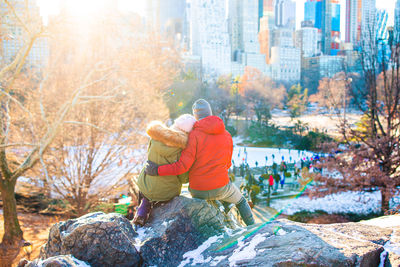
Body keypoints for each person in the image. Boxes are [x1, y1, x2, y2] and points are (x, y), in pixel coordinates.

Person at [145, 99, 255, 226]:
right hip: (221, 187)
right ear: (210, 113)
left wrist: (157, 170)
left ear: (196, 116)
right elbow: (228, 164)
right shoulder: (227, 135)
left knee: (221, 194)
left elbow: (182, 167)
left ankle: (223, 205)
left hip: (198, 191)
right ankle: (253, 229)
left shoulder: (194, 136)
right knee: (241, 201)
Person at [133, 114, 196, 226]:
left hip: (146, 185)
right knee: (163, 196)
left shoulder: (155, 137)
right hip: (167, 192)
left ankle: (142, 210)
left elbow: (149, 158)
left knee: (147, 192)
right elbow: (183, 177)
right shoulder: (183, 148)